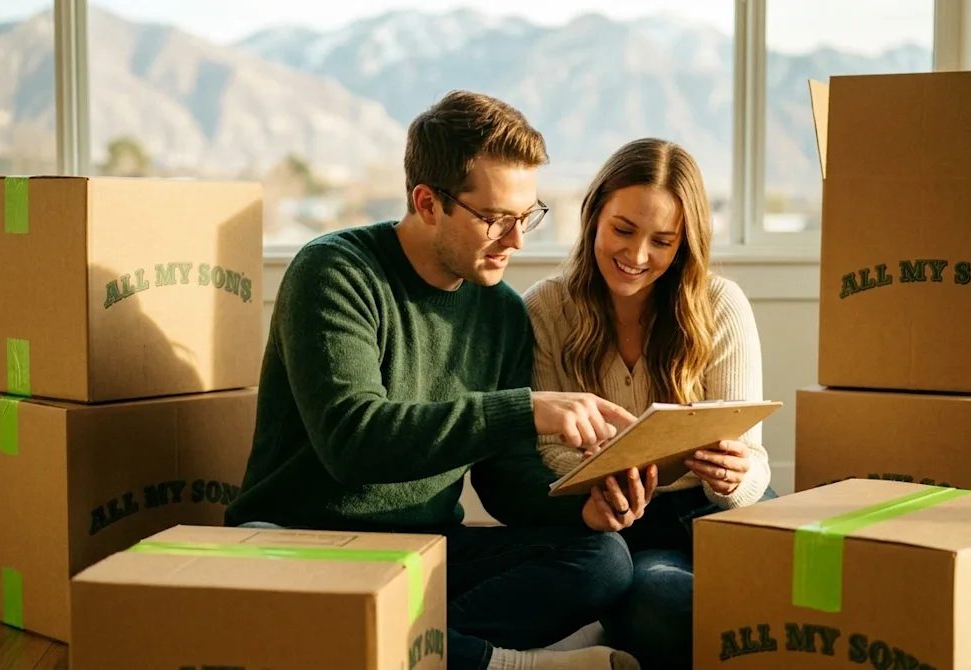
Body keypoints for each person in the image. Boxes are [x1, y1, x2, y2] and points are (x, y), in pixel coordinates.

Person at [223, 91, 661, 670]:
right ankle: (499, 663)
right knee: (295, 606)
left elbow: (504, 483)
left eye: (527, 216)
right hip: (305, 542)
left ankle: (385, 650)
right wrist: (523, 408)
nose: (517, 240)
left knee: (603, 559)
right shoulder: (333, 271)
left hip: (423, 552)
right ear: (428, 202)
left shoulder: (501, 312)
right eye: (495, 219)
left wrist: (579, 511)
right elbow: (353, 444)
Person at [521, 137, 776, 669]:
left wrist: (736, 474)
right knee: (665, 606)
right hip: (633, 524)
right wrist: (608, 479)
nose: (637, 257)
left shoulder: (720, 304)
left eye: (662, 241)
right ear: (594, 215)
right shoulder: (547, 307)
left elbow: (753, 459)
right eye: (623, 230)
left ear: (685, 244)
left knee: (789, 601)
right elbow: (548, 454)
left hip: (723, 511)